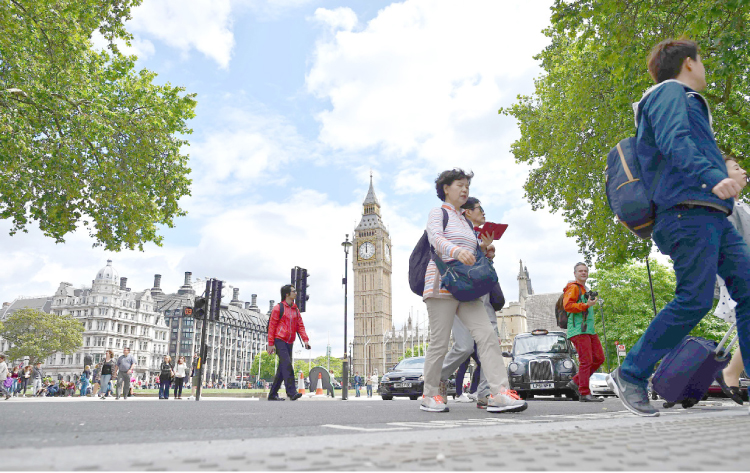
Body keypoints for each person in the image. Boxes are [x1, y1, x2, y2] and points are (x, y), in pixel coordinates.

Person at [608, 38, 750, 417]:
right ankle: (632, 372)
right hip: (685, 213)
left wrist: (722, 185)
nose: (705, 70)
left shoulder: (683, 101)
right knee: (696, 297)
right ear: (689, 63)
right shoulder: (668, 93)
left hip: (712, 214)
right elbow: (675, 141)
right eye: (702, 61)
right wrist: (713, 176)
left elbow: (687, 146)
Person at [421, 169, 526, 413]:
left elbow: (471, 250)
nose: (465, 189)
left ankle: (498, 392)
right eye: (460, 184)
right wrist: (456, 252)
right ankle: (429, 394)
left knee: (487, 335)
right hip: (442, 284)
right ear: (446, 188)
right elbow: (434, 237)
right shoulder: (438, 213)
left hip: (466, 289)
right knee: (439, 343)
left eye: (467, 185)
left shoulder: (466, 221)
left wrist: (483, 250)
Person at [436, 197, 505, 408]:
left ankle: (485, 393)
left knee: (491, 344)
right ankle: (437, 378)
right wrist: (480, 250)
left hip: (483, 298)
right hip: (462, 296)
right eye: (480, 209)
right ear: (467, 212)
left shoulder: (479, 236)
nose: (484, 213)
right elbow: (456, 263)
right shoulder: (458, 232)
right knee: (464, 347)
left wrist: (488, 254)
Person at [712, 156, 750, 405]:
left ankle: (731, 372)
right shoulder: (725, 209)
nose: (744, 170)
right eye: (736, 168)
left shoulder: (742, 206)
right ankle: (731, 372)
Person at [563, 263, 605, 402]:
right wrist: (586, 305)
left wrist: (589, 303)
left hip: (589, 329)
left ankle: (576, 381)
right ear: (575, 273)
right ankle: (584, 392)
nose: (583, 273)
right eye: (580, 271)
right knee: (586, 360)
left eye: (585, 271)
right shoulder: (573, 287)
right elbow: (568, 306)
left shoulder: (584, 289)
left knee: (599, 358)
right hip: (578, 329)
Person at [266, 284, 311, 401]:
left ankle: (272, 394)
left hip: (290, 341)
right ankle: (292, 392)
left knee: (282, 368)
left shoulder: (295, 310)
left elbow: (300, 326)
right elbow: (271, 327)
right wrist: (270, 344)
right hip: (279, 339)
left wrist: (305, 340)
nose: (296, 293)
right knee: (287, 365)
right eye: (293, 291)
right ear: (287, 294)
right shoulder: (278, 308)